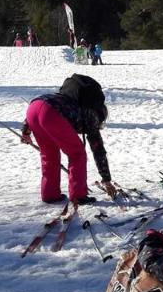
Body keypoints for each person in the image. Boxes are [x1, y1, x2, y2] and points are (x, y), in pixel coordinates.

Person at [19, 74, 117, 204]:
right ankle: (78, 195)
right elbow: (98, 150)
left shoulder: (67, 101)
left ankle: (50, 194)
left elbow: (41, 108)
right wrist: (106, 179)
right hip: (50, 113)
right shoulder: (91, 116)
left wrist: (26, 130)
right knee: (77, 153)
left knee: (49, 154)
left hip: (34, 107)